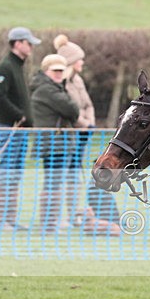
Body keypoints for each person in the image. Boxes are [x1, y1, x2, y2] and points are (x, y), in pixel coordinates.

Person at [0, 26, 40, 231]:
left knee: (16, 173)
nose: (30, 47)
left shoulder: (18, 66)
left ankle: (9, 220)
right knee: (6, 171)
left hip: (20, 131)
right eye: (28, 43)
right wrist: (19, 116)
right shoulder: (6, 66)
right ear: (17, 43)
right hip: (9, 128)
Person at [29, 54, 80, 234]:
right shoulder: (47, 90)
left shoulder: (53, 87)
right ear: (46, 71)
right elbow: (72, 108)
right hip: (54, 143)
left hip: (58, 142)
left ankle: (51, 221)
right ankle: (50, 223)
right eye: (55, 70)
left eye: (61, 70)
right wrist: (72, 110)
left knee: (54, 182)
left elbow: (71, 109)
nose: (59, 74)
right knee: (54, 183)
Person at [54, 34, 96, 228]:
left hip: (82, 134)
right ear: (71, 61)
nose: (83, 62)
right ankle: (60, 216)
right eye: (79, 58)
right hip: (69, 134)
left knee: (75, 177)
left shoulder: (78, 80)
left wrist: (90, 124)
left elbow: (87, 104)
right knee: (64, 176)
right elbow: (69, 110)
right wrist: (83, 124)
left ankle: (73, 214)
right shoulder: (62, 82)